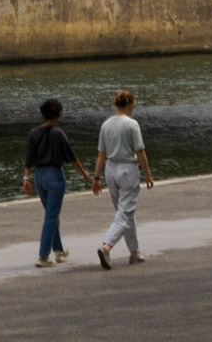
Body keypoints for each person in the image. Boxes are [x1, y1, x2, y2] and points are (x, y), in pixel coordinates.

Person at [23, 97, 93, 268]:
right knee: (51, 217)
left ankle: (59, 251)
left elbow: (28, 158)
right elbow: (71, 157)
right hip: (54, 176)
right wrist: (84, 173)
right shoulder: (58, 133)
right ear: (58, 115)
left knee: (51, 215)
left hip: (39, 177)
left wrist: (26, 178)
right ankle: (43, 256)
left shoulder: (33, 133)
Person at [93, 88, 155, 268]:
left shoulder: (106, 124)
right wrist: (148, 175)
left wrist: (96, 178)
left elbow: (101, 154)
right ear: (129, 105)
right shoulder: (131, 124)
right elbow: (140, 152)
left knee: (124, 212)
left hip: (110, 169)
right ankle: (106, 246)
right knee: (125, 213)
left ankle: (134, 252)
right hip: (128, 169)